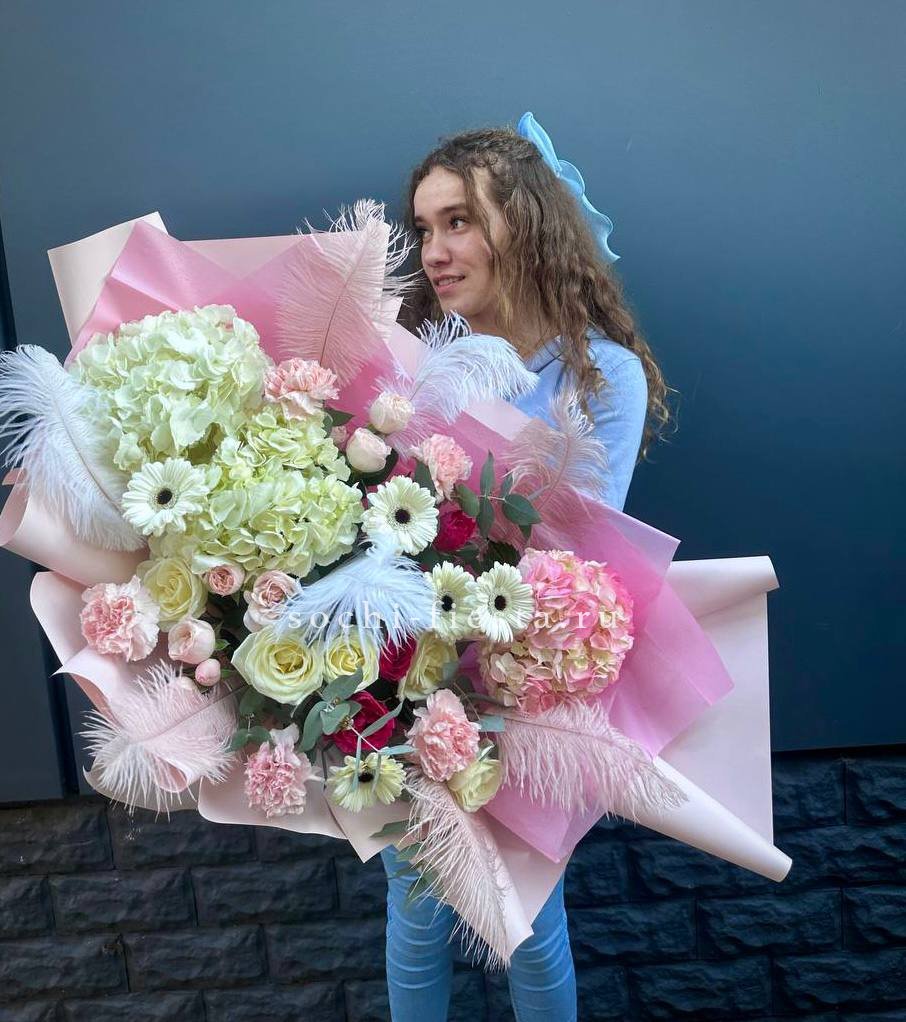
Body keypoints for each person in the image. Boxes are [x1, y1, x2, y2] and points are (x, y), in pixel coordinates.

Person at [380, 116, 672, 1022]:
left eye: (459, 221)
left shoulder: (601, 376)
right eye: (425, 228)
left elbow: (579, 544)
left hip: (527, 675)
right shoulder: (420, 360)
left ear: (525, 225)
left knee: (531, 918)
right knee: (417, 906)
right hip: (408, 670)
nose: (435, 251)